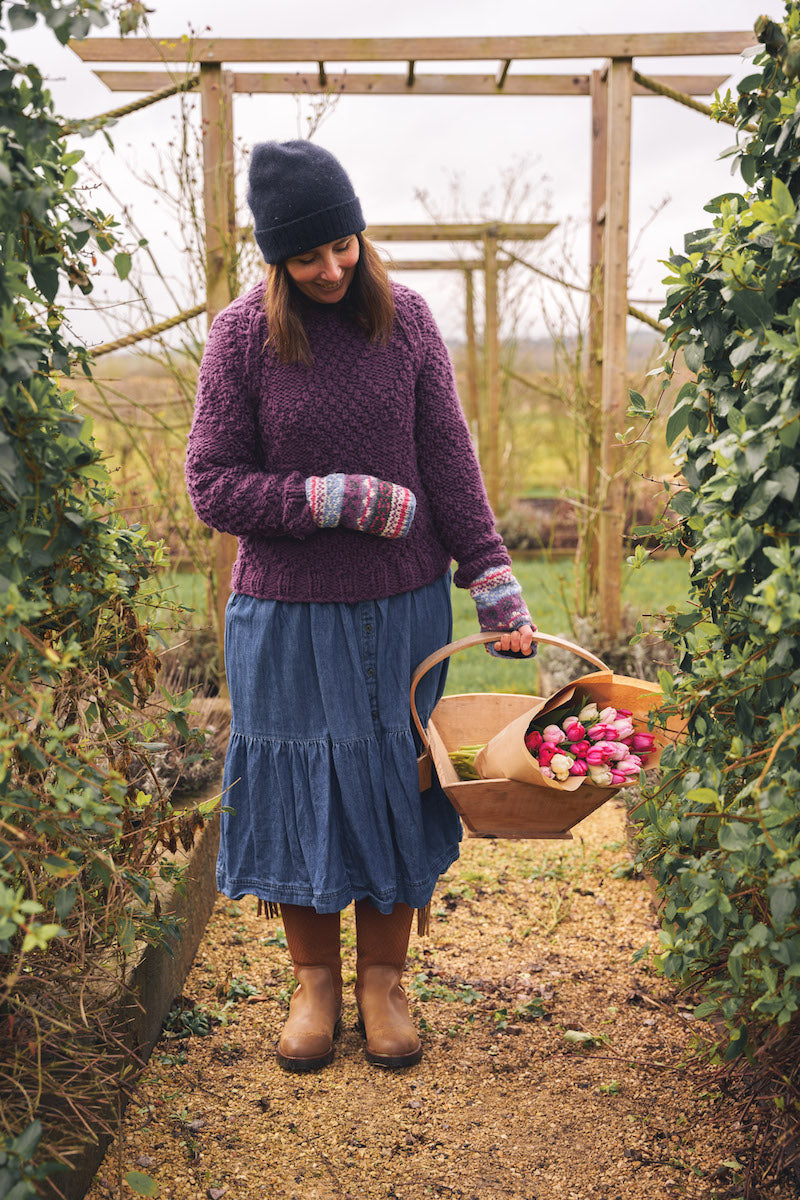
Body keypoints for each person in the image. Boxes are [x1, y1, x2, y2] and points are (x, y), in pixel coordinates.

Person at [185, 140, 535, 1074]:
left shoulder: (409, 322)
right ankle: (314, 985)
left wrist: (492, 577)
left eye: (343, 243)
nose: (332, 267)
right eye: (308, 256)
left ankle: (383, 979)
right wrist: (327, 498)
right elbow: (212, 485)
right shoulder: (240, 339)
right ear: (276, 261)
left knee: (392, 784)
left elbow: (450, 464)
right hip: (286, 614)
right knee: (301, 787)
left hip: (402, 608)